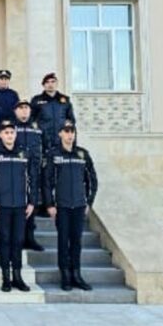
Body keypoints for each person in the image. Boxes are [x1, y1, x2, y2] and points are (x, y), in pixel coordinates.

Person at [0, 120, 38, 292]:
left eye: (12, 132)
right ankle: (6, 277)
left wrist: (32, 202)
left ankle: (17, 276)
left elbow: (33, 179)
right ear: (0, 135)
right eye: (6, 132)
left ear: (15, 134)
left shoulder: (25, 153)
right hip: (2, 206)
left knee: (18, 240)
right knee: (5, 240)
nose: (9, 135)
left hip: (21, 205)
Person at [44, 121, 98, 292]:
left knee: (76, 242)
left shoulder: (82, 154)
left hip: (79, 206)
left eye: (72, 131)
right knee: (63, 241)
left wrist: (89, 202)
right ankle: (65, 276)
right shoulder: (53, 155)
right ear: (60, 133)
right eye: (66, 131)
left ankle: (76, 274)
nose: (70, 135)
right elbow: (46, 182)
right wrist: (50, 204)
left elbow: (92, 180)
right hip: (62, 206)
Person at [14, 100, 45, 252]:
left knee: (32, 204)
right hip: (16, 171)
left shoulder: (38, 127)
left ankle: (30, 238)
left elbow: (45, 146)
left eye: (26, 108)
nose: (24, 111)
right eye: (21, 108)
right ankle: (19, 239)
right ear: (15, 111)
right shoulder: (10, 127)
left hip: (34, 170)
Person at [31, 73, 76, 150]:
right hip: (43, 139)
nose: (50, 84)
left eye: (53, 82)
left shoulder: (65, 100)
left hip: (61, 139)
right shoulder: (37, 100)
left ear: (57, 84)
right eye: (47, 82)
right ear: (43, 85)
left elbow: (71, 120)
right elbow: (31, 118)